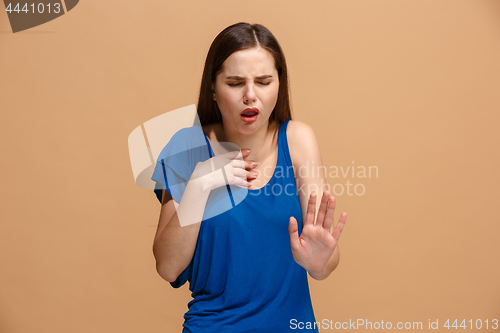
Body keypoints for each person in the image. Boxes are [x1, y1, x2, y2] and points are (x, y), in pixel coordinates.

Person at [151, 22, 347, 333]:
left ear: (279, 84)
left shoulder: (297, 140)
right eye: (235, 82)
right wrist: (201, 183)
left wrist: (319, 262)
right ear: (213, 88)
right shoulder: (187, 147)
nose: (250, 95)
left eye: (264, 81)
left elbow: (324, 264)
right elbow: (167, 266)